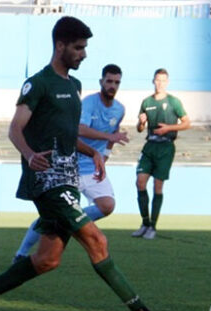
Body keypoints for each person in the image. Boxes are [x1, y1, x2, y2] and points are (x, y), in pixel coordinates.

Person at [0, 17, 164, 311]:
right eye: (78, 48)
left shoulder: (74, 86)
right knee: (97, 239)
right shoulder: (38, 83)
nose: (83, 54)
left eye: (84, 48)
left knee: (46, 260)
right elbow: (15, 128)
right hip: (48, 182)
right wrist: (30, 156)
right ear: (60, 46)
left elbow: (67, 135)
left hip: (68, 179)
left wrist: (92, 151)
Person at [12, 63, 128, 263]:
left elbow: (112, 139)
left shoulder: (119, 109)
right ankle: (21, 253)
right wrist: (108, 137)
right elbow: (78, 131)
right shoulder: (88, 103)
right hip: (70, 164)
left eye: (116, 82)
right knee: (51, 217)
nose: (112, 85)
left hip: (92, 168)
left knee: (107, 205)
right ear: (101, 81)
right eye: (109, 81)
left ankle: (70, 219)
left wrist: (104, 155)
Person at [132, 68, 190, 240]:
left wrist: (169, 128)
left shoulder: (174, 102)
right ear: (153, 81)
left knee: (158, 186)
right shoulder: (147, 101)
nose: (160, 83)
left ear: (168, 82)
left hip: (165, 147)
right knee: (140, 182)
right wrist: (141, 123)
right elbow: (140, 128)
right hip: (150, 145)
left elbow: (187, 123)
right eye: (158, 80)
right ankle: (145, 222)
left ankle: (153, 227)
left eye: (163, 80)